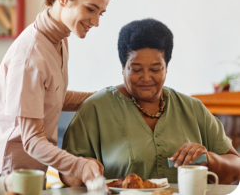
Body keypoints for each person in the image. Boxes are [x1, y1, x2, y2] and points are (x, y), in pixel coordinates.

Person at [0, 0, 111, 193]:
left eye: (101, 13)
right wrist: (79, 165)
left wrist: (109, 97)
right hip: (5, 177)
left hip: (31, 176)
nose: (96, 21)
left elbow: (51, 97)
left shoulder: (59, 39)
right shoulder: (30, 55)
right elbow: (32, 140)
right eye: (90, 9)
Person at [61, 18, 240, 186]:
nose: (146, 78)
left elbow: (235, 165)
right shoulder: (95, 108)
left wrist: (209, 159)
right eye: (136, 69)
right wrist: (83, 167)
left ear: (166, 68)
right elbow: (68, 176)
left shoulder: (193, 109)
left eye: (155, 69)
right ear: (122, 68)